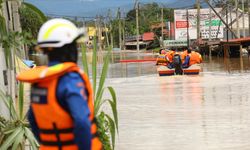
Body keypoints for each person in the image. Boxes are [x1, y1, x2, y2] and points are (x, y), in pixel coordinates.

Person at [17, 18, 102, 150]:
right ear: (69, 48)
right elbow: (81, 121)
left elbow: (32, 118)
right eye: (75, 45)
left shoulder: (39, 82)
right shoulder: (70, 80)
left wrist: (51, 143)